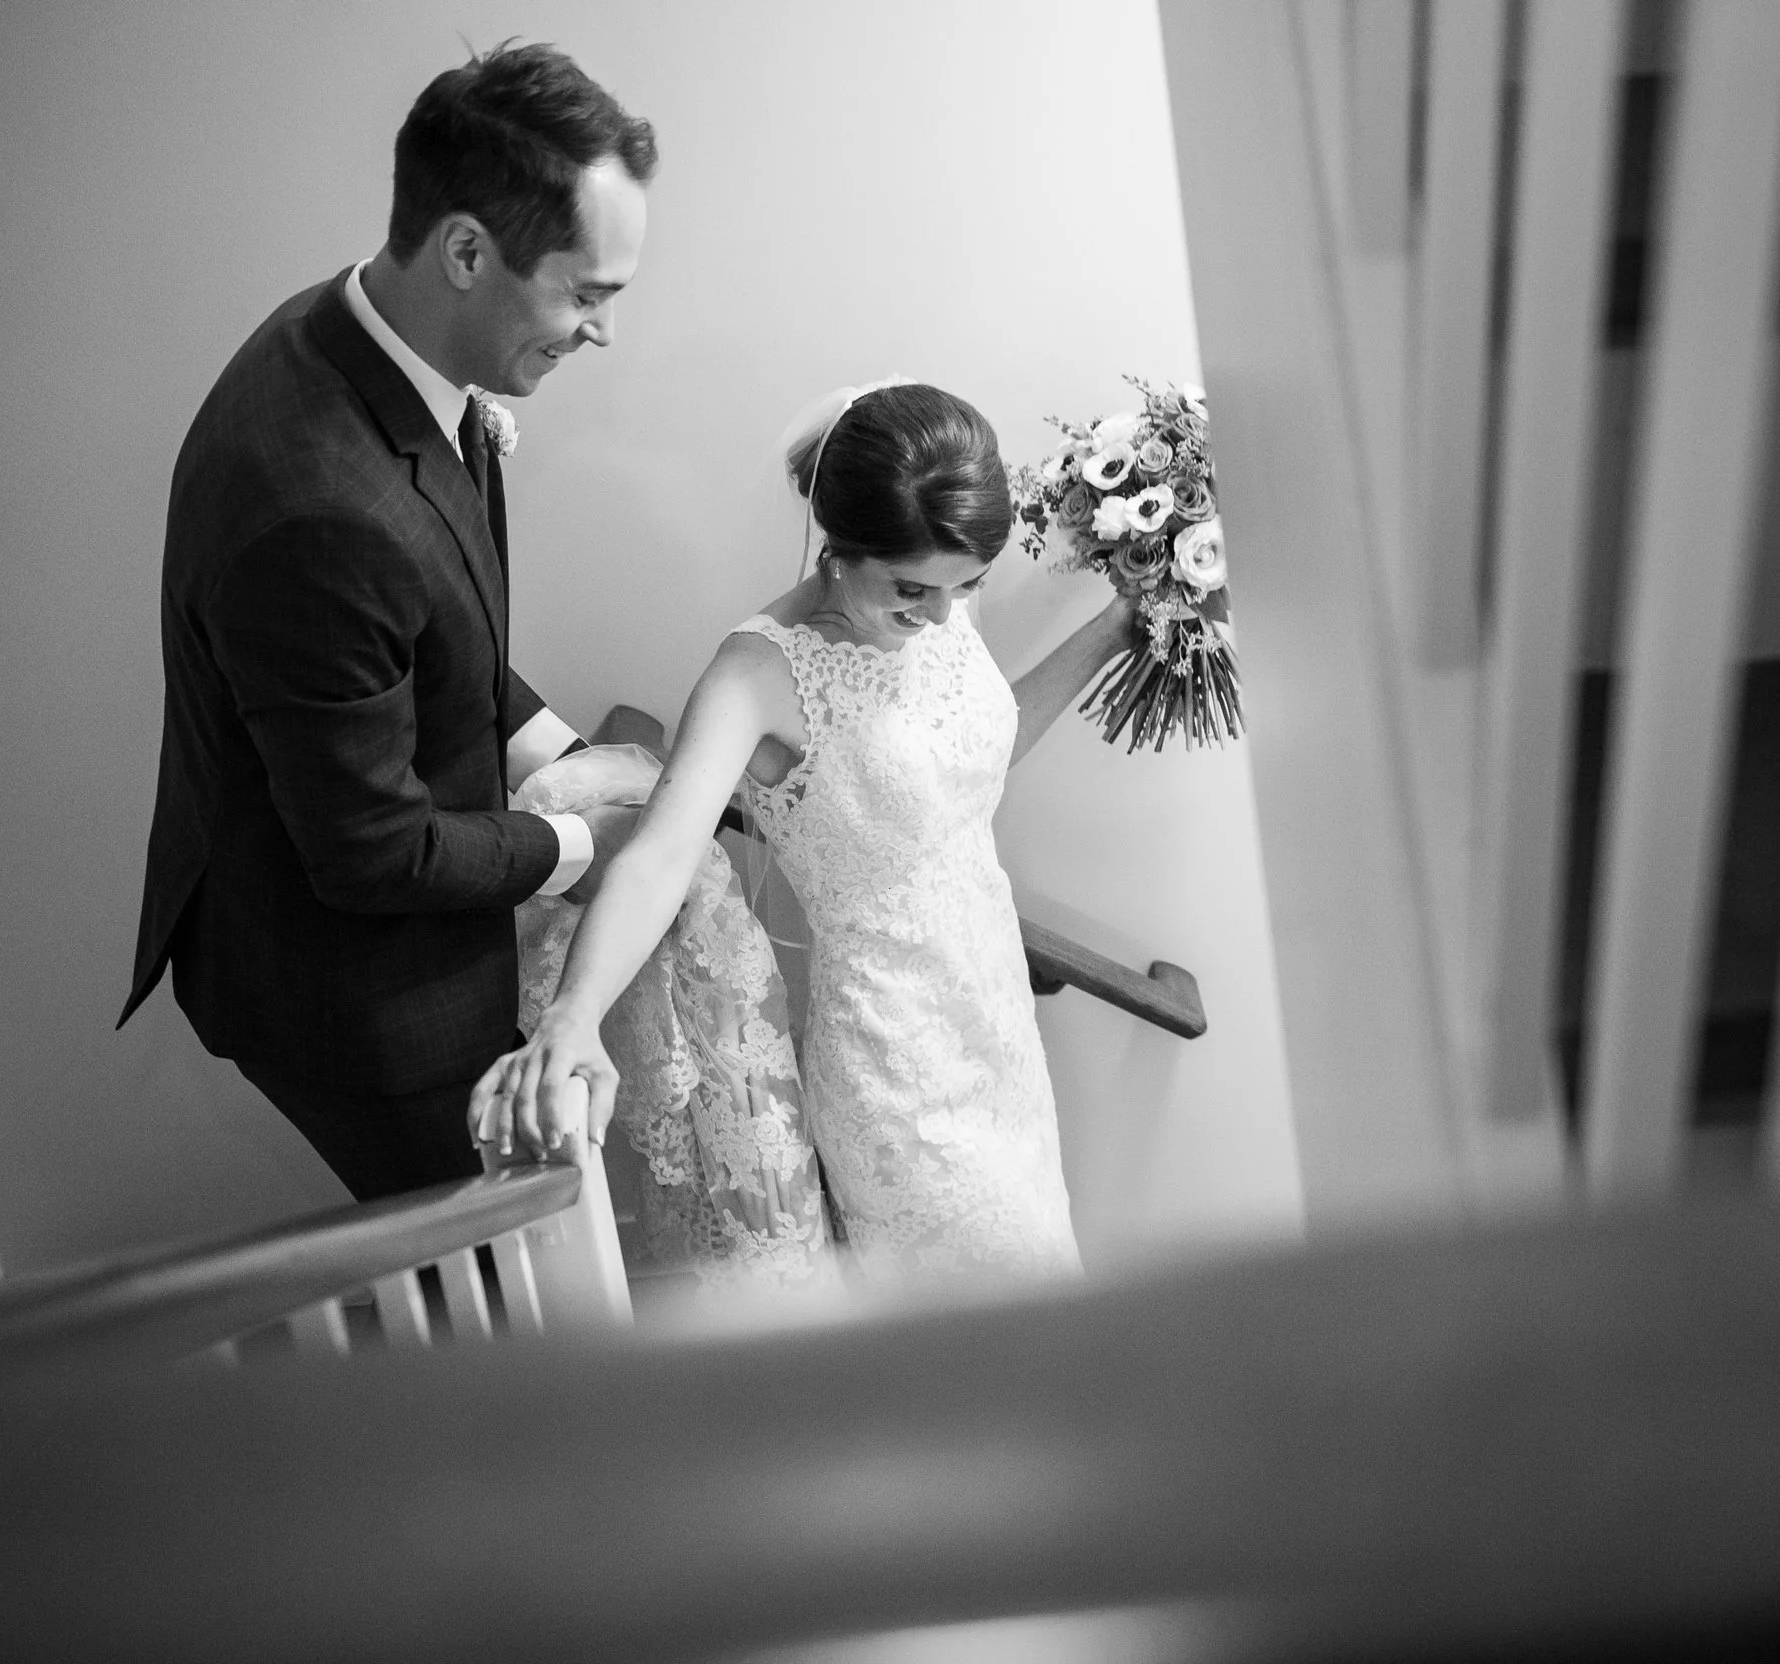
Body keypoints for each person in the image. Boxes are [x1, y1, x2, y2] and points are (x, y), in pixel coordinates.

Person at [118, 44, 658, 1200]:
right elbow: (370, 848)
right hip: (361, 998)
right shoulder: (319, 503)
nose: (602, 331)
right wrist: (578, 847)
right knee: (492, 1262)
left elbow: (434, 634)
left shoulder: (368, 335)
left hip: (379, 896)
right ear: (466, 251)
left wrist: (561, 753)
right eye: (586, 293)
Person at [473, 382, 1138, 1280]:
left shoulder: (934, 598)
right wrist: (574, 1016)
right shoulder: (757, 673)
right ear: (840, 549)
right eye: (913, 591)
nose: (942, 616)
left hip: (997, 1025)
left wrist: (1119, 623)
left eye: (966, 587)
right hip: (894, 1063)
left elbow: (974, 761)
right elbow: (663, 853)